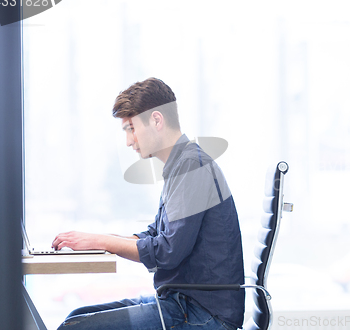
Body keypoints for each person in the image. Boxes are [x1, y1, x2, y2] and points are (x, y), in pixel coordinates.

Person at [53, 77, 245, 330]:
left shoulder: (191, 166)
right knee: (77, 317)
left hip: (202, 314)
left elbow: (166, 252)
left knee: (76, 328)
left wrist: (101, 242)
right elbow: (155, 235)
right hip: (180, 304)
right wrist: (98, 238)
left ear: (156, 120)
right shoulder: (181, 164)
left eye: (131, 128)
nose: (129, 141)